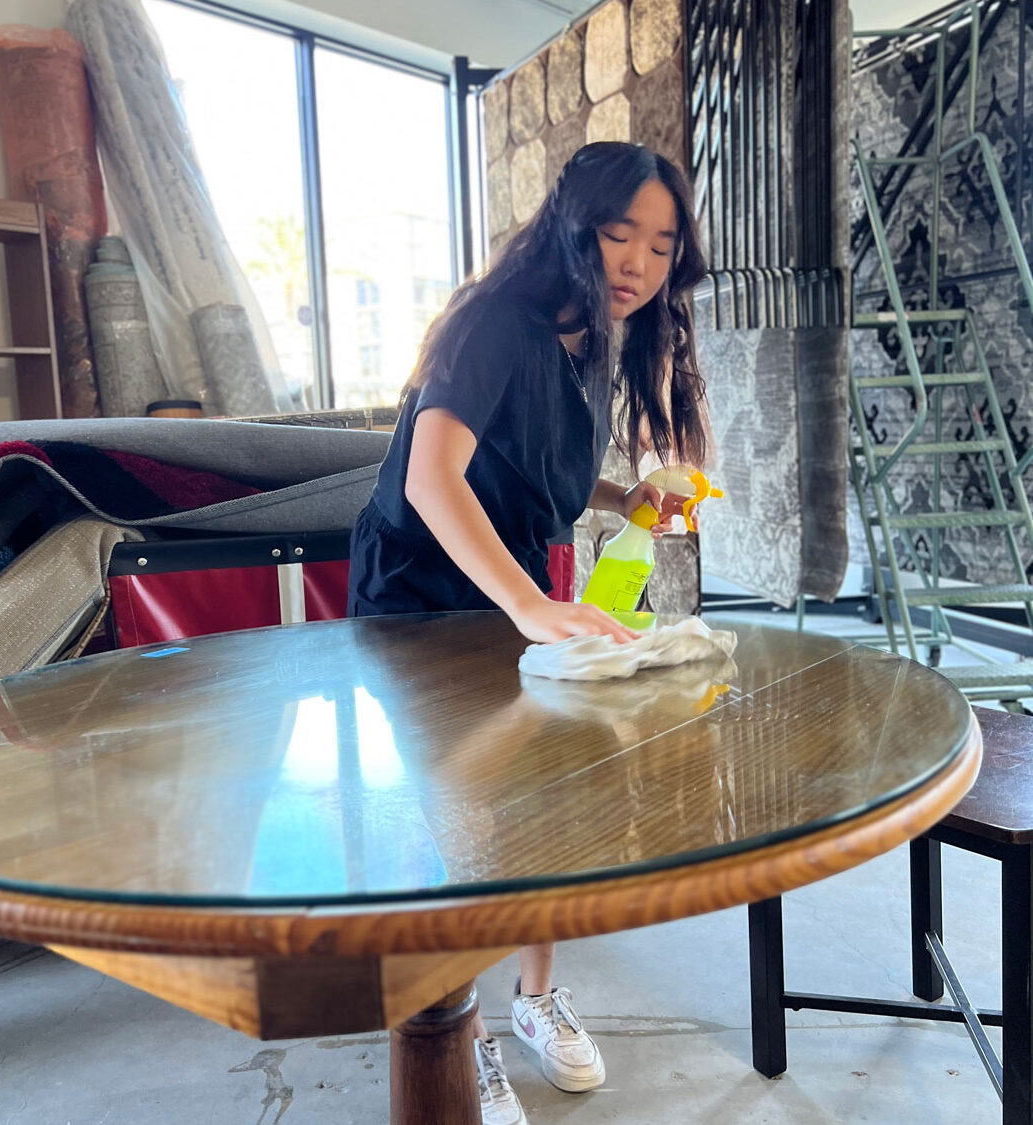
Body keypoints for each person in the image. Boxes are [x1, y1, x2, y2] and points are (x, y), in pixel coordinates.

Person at [348, 140, 710, 1125]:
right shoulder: (491, 326)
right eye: (617, 233)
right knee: (461, 819)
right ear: (570, 225)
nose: (638, 261)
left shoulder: (595, 343)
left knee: (548, 800)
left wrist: (618, 495)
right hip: (422, 597)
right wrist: (530, 606)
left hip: (515, 587)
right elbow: (434, 479)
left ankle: (535, 999)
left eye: (662, 243)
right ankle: (454, 1029)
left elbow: (533, 464)